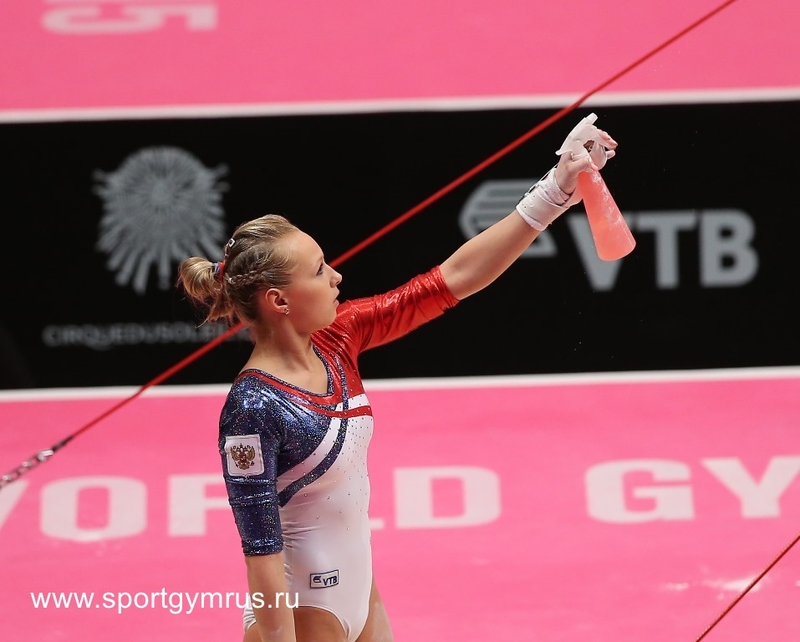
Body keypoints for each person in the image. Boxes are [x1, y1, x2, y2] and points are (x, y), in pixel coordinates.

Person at [177, 116, 617, 642]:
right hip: (301, 616)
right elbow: (261, 553)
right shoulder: (252, 409)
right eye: (318, 270)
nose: (336, 276)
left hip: (360, 594)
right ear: (279, 301)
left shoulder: (338, 337)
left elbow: (449, 281)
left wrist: (556, 189)